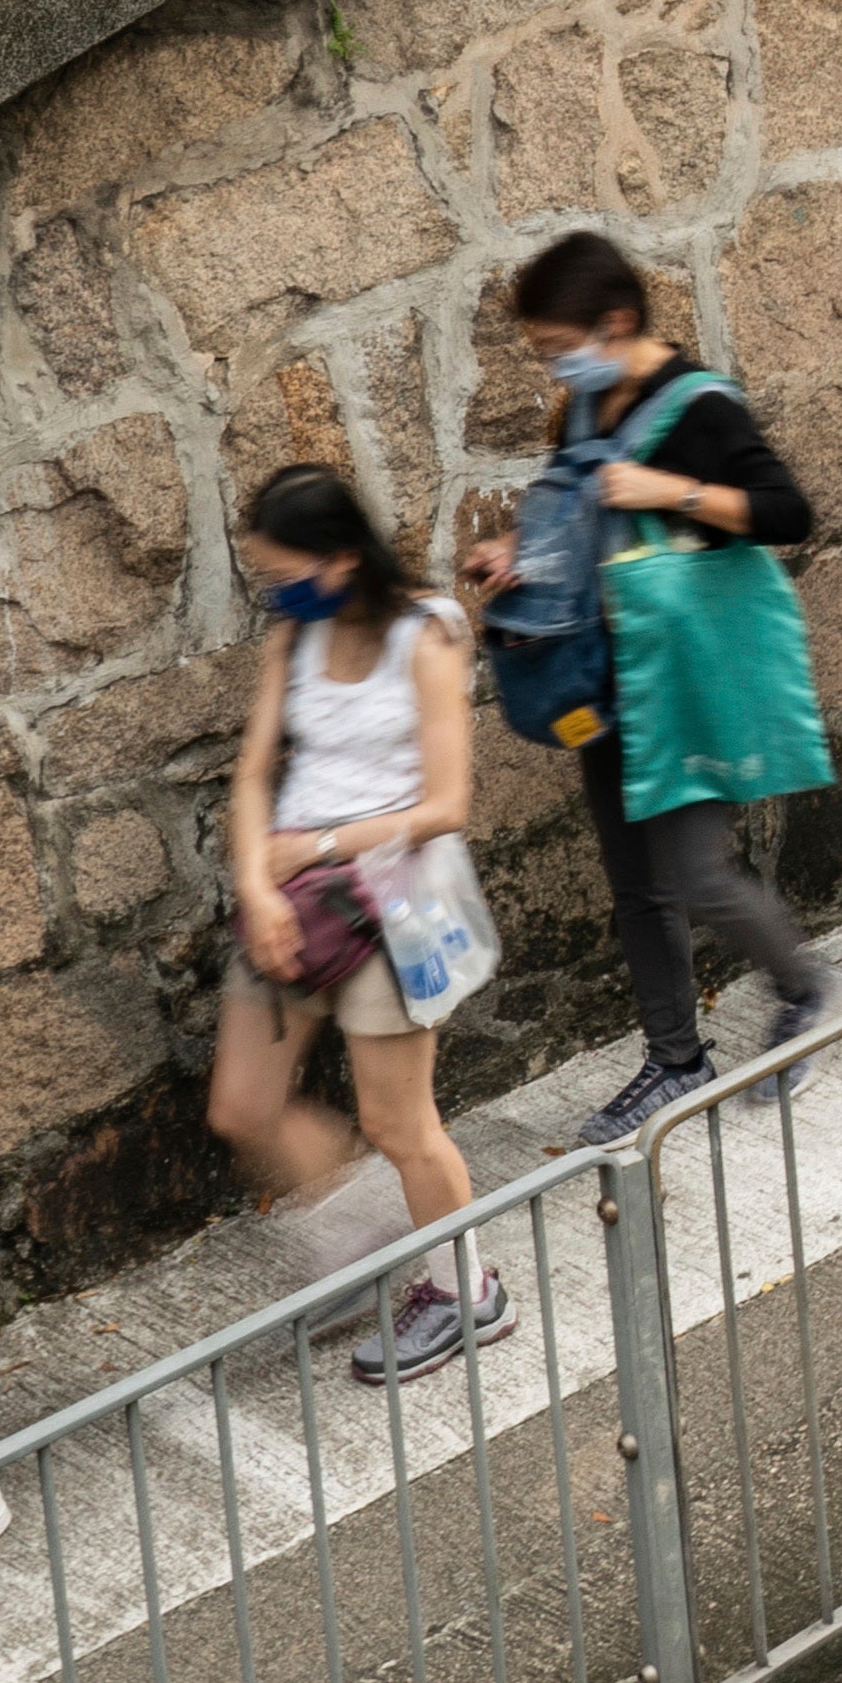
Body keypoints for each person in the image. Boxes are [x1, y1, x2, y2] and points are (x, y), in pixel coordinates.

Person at [491, 231, 837, 1144]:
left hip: (682, 679)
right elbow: (576, 518)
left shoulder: (702, 409)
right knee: (635, 886)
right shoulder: (584, 405)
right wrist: (517, 558)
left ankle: (806, 991)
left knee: (696, 874)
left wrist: (665, 488)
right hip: (604, 676)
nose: (552, 366)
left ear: (614, 322)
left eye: (554, 344)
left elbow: (785, 513)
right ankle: (676, 1062)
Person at [210, 467, 505, 1385]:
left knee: (397, 1122)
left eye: (287, 570)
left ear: (342, 559)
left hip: (395, 904)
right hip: (292, 897)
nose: (277, 590)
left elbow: (448, 803)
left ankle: (466, 1292)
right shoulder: (294, 631)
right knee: (243, 1104)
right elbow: (255, 770)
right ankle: (372, 1245)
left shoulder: (427, 634)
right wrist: (259, 885)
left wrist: (324, 845)